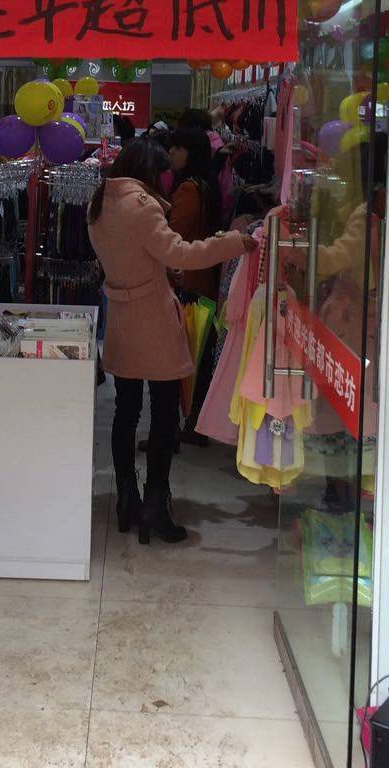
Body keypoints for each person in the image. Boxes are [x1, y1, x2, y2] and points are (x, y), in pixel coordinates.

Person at [88, 141, 252, 544]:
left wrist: (155, 268)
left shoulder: (100, 202)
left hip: (122, 320)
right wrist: (232, 241)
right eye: (163, 172)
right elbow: (180, 254)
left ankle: (126, 496)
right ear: (148, 171)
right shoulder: (142, 206)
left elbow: (131, 255)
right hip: (153, 321)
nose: (167, 179)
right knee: (163, 414)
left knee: (126, 411)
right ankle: (156, 505)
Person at [167, 126, 222, 447]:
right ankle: (195, 423)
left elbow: (172, 234)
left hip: (187, 282)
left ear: (192, 153)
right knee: (197, 356)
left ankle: (178, 427)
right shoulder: (207, 185)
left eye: (178, 148)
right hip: (203, 280)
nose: (171, 154)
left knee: (183, 357)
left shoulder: (188, 189)